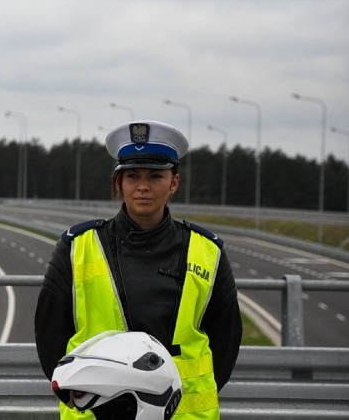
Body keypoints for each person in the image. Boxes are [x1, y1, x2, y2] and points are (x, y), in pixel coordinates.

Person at [35, 120, 241, 419]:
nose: (143, 186)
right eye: (132, 175)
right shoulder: (77, 247)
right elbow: (50, 337)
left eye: (156, 176)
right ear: (119, 183)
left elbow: (225, 343)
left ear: (174, 183)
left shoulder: (207, 251)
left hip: (184, 414)